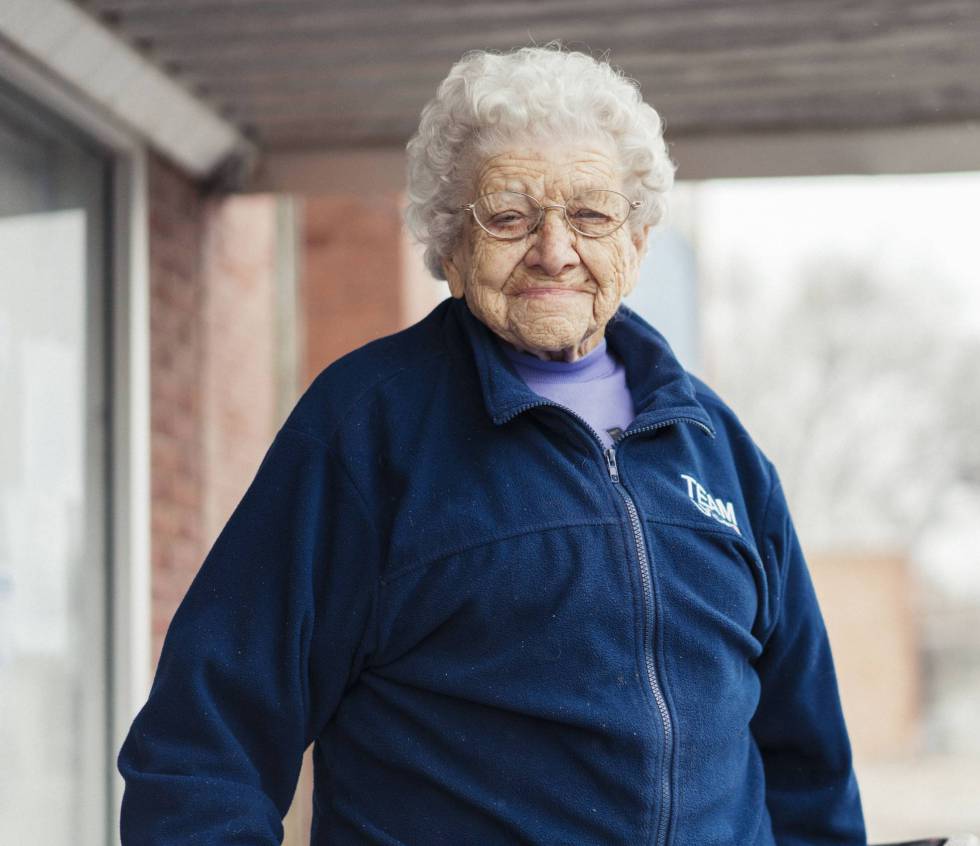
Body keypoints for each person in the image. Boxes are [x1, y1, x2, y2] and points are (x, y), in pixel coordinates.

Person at [118, 45, 865, 845]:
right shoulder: (367, 429)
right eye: (509, 215)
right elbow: (202, 751)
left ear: (638, 240)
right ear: (449, 243)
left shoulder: (719, 451)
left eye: (591, 214)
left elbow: (809, 777)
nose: (554, 249)